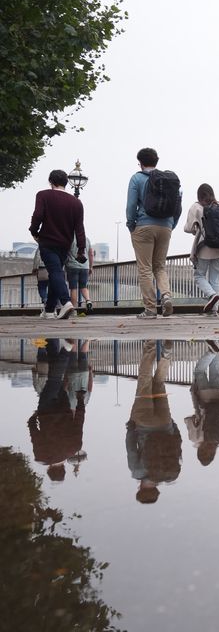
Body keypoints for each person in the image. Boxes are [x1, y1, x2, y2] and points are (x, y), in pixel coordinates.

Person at [126, 147, 181, 319]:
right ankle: (166, 296)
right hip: (166, 226)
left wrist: (131, 224)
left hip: (143, 226)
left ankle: (150, 309)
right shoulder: (169, 180)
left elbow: (131, 205)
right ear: (157, 161)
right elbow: (178, 206)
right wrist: (171, 224)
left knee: (145, 268)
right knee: (160, 266)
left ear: (140, 162)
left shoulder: (137, 178)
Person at [126, 340, 181, 504]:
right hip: (143, 424)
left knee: (159, 383)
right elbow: (131, 448)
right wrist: (130, 426)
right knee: (144, 381)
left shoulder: (171, 472)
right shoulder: (137, 472)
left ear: (157, 490)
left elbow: (178, 447)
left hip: (165, 424)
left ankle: (166, 357)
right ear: (140, 489)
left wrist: (173, 425)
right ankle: (150, 345)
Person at [28, 169, 87, 319]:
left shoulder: (43, 195)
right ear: (66, 183)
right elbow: (79, 228)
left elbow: (38, 215)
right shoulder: (76, 203)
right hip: (65, 244)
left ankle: (66, 302)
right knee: (56, 273)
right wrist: (81, 248)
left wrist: (33, 230)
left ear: (51, 182)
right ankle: (48, 311)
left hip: (47, 240)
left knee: (55, 272)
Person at [27, 338, 86, 482]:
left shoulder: (74, 448)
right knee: (54, 379)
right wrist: (33, 419)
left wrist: (80, 401)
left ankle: (51, 341)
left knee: (56, 378)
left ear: (64, 468)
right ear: (49, 469)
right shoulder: (41, 456)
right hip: (46, 412)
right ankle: (65, 349)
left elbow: (79, 422)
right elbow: (35, 435)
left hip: (64, 408)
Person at [184, 340, 219, 466]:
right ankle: (212, 350)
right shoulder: (196, 438)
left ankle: (217, 341)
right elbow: (189, 420)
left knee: (215, 369)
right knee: (199, 372)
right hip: (205, 399)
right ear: (199, 451)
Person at [183, 183, 219, 316]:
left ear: (199, 196)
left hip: (205, 248)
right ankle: (214, 311)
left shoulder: (197, 207)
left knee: (199, 275)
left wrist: (197, 229)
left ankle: (211, 295)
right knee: (215, 279)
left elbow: (188, 228)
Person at [66, 233, 95, 314]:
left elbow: (65, 253)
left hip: (72, 266)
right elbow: (91, 254)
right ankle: (88, 301)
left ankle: (73, 310)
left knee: (73, 288)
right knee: (83, 287)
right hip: (85, 267)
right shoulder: (87, 239)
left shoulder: (70, 238)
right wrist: (91, 266)